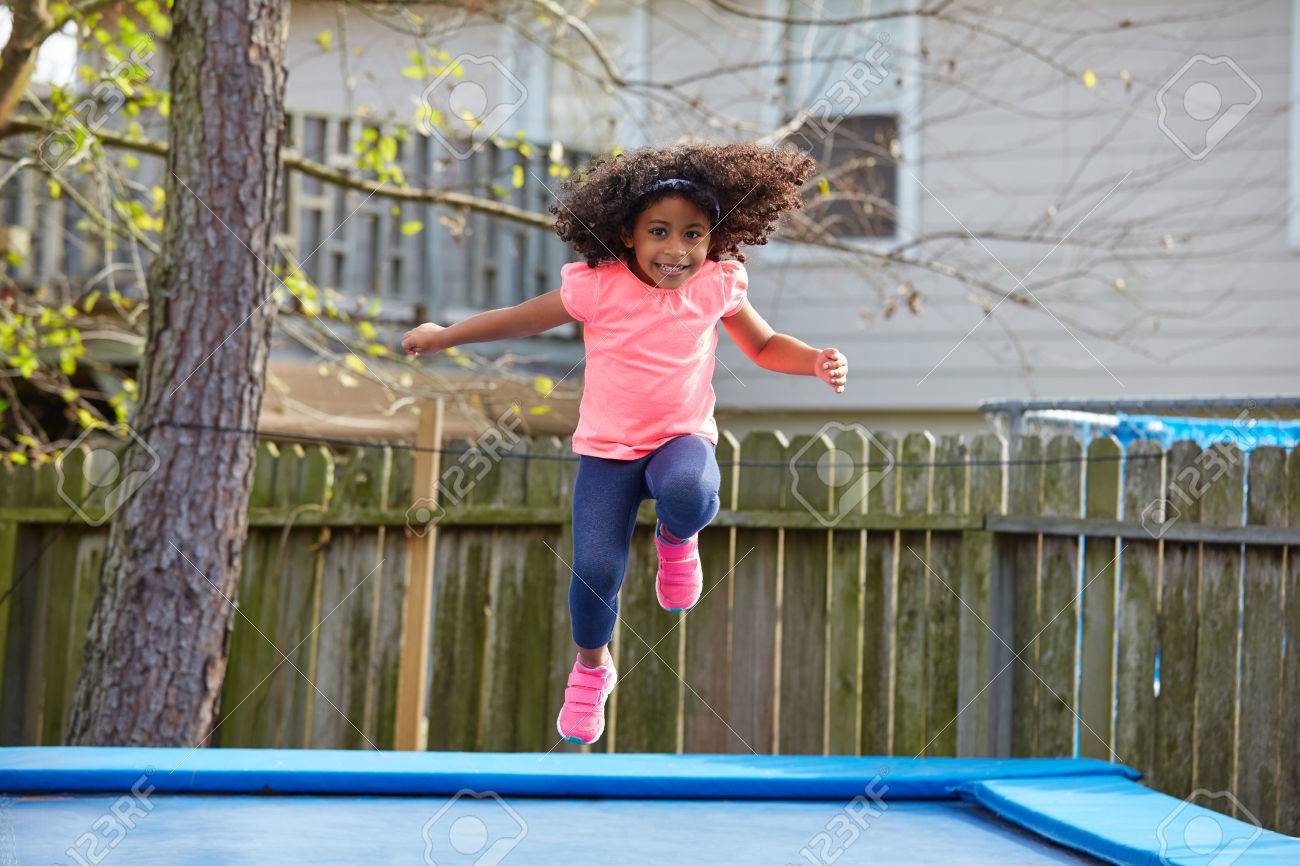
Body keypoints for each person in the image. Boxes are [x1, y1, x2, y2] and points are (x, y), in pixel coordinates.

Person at [401, 143, 848, 746]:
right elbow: (521, 318)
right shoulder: (598, 287)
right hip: (607, 454)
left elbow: (765, 346)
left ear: (713, 238)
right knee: (594, 570)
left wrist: (814, 360)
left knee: (690, 491)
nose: (676, 249)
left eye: (693, 234)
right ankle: (592, 668)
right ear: (627, 235)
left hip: (679, 437)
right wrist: (444, 336)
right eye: (658, 232)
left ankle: (676, 539)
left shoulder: (717, 284)